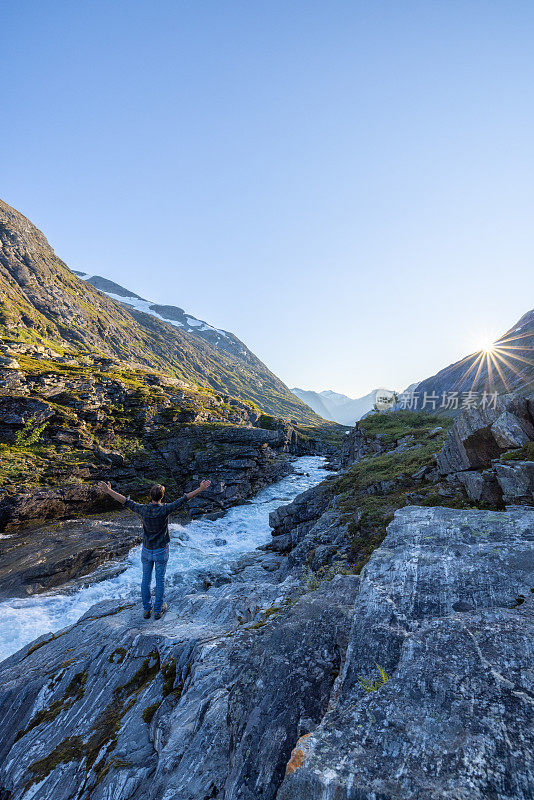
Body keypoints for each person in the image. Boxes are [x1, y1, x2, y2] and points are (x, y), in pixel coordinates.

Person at [98, 479, 211, 619]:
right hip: (161, 550)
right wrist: (200, 489)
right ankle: (157, 610)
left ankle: (146, 609)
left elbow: (124, 501)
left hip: (146, 550)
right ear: (161, 497)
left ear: (150, 496)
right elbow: (184, 499)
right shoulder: (165, 509)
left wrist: (108, 491)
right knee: (160, 580)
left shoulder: (143, 509)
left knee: (145, 580)